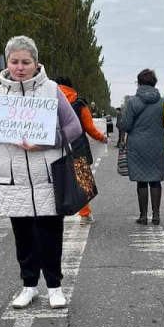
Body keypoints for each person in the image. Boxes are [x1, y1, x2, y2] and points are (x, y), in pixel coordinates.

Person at [0, 36, 82, 309]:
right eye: (14, 62)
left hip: (48, 176)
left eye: (26, 62)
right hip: (13, 179)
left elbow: (73, 128)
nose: (20, 67)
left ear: (36, 63)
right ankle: (29, 286)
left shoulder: (52, 90)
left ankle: (54, 286)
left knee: (50, 234)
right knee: (23, 236)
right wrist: (9, 132)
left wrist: (45, 140)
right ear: (7, 63)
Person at [55, 76, 108, 225]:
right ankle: (85, 214)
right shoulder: (80, 103)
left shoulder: (48, 101)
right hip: (77, 146)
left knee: (55, 180)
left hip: (54, 146)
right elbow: (89, 128)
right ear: (70, 87)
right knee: (83, 179)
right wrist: (101, 138)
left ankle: (53, 214)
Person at [120, 69, 164, 225]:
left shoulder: (133, 102)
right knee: (155, 180)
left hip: (137, 145)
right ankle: (156, 215)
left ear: (139, 83)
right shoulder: (162, 102)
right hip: (157, 144)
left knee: (141, 180)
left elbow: (126, 125)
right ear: (154, 84)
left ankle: (143, 215)